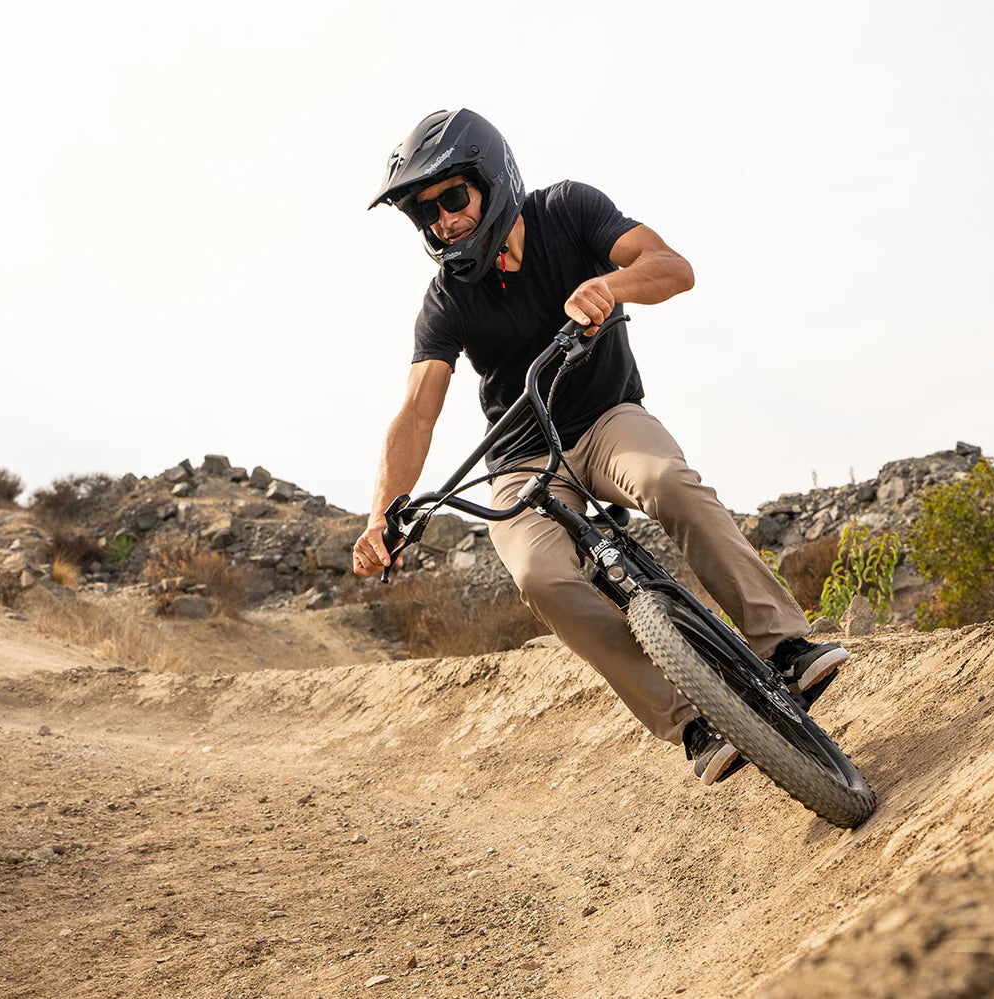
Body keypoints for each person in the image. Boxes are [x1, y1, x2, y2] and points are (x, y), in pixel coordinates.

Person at [354, 109, 849, 784]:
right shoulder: (446, 299)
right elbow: (416, 413)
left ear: (490, 178)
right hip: (523, 458)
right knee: (539, 575)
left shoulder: (568, 209)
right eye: (425, 212)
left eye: (452, 198)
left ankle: (785, 644)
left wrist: (609, 287)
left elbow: (673, 268)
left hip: (608, 417)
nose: (442, 220)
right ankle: (692, 718)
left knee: (669, 482)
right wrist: (383, 513)